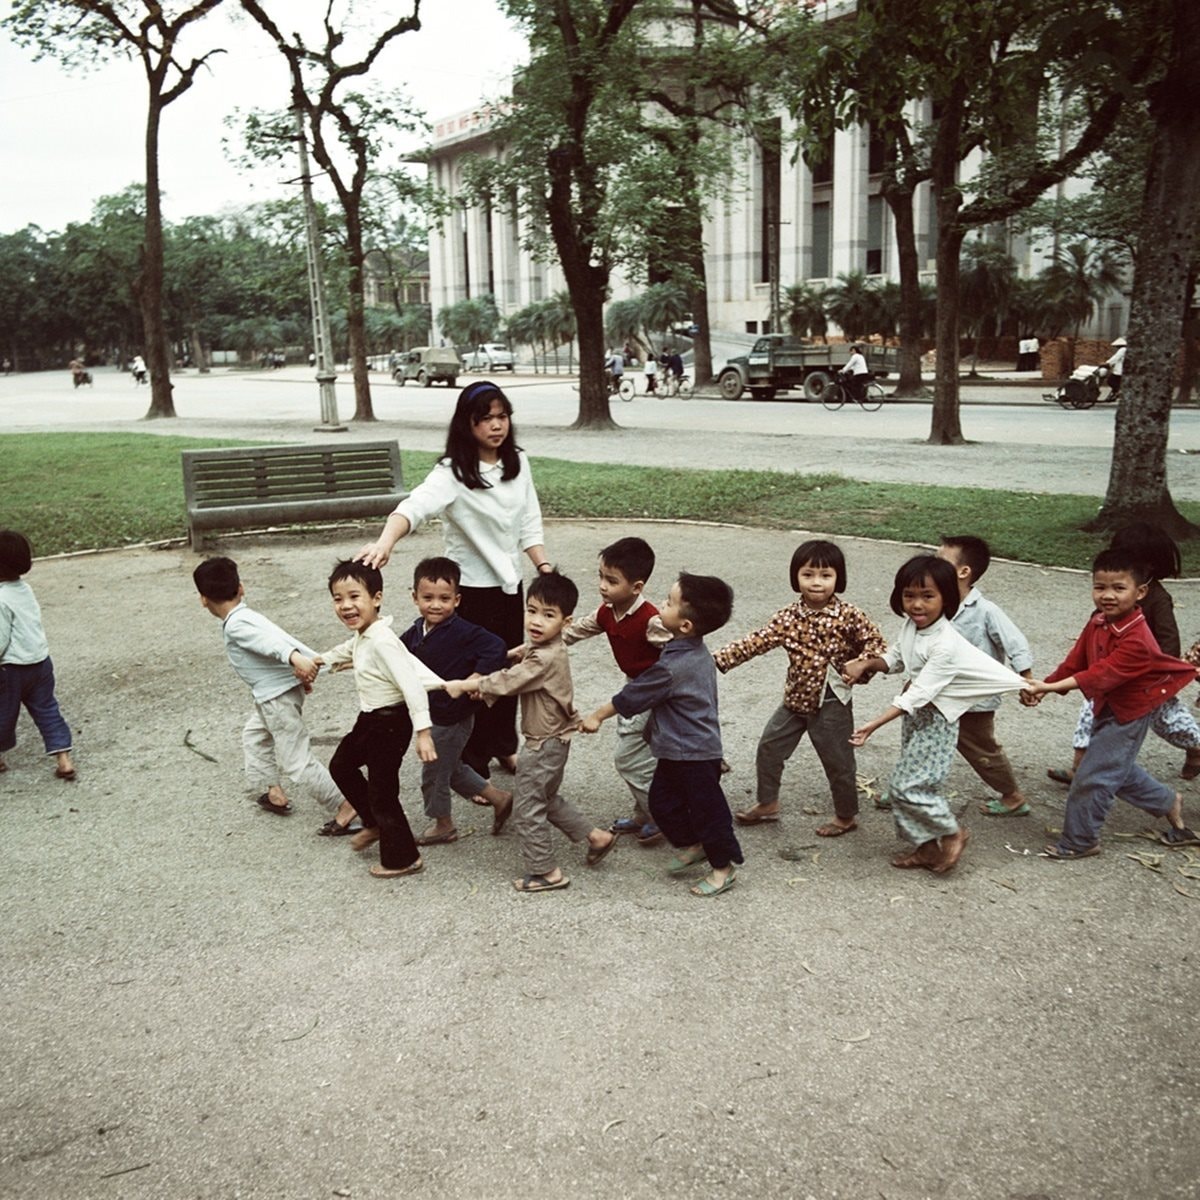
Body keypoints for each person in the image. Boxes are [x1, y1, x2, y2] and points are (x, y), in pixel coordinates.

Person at [356, 381, 553, 781]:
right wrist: (385, 543)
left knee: (507, 668)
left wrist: (544, 568)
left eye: (502, 416)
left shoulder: (517, 461)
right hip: (472, 592)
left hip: (509, 588)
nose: (496, 426)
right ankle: (471, 759)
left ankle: (502, 746)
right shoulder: (451, 473)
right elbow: (413, 507)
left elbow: (529, 521)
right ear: (468, 424)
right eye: (486, 418)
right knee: (472, 677)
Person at [842, 556, 1028, 874]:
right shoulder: (912, 626)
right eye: (909, 595)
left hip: (937, 721)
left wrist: (872, 725)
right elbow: (897, 658)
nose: (917, 605)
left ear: (946, 598)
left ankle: (952, 832)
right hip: (916, 719)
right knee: (909, 786)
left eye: (928, 596)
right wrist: (867, 663)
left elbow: (918, 694)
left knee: (905, 787)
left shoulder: (946, 643)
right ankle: (926, 848)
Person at [443, 570, 617, 893]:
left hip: (543, 745)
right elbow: (529, 658)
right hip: (555, 741)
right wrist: (517, 652)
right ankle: (597, 836)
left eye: (548, 615)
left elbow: (511, 680)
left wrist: (468, 684)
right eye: (532, 611)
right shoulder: (546, 647)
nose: (536, 621)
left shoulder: (544, 659)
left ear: (566, 623)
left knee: (527, 807)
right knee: (545, 797)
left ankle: (546, 871)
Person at [1025, 548, 1199, 859]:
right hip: (1106, 706)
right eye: (1100, 587)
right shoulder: (1098, 621)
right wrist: (1045, 685)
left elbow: (1099, 675)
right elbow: (1077, 660)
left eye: (1119, 588)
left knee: (1093, 776)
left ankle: (1080, 841)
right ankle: (1167, 801)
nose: (1108, 595)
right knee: (1111, 767)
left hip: (1129, 714)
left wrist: (1049, 687)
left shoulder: (1137, 640)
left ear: (1140, 591)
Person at [581, 573, 742, 898]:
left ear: (685, 626)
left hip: (696, 754)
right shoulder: (684, 649)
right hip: (673, 750)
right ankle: (693, 845)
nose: (659, 608)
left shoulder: (675, 666)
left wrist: (598, 715)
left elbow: (635, 694)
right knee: (662, 803)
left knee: (708, 813)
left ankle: (723, 868)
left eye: (668, 604)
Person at [713, 539, 887, 838]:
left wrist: (863, 663)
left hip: (832, 701)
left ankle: (846, 816)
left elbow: (876, 643)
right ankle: (768, 803)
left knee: (838, 761)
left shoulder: (849, 615)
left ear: (838, 579)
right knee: (769, 747)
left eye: (825, 575)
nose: (816, 582)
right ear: (796, 577)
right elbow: (757, 641)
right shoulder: (787, 617)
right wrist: (715, 660)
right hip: (794, 700)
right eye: (808, 574)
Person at [193, 555, 353, 830]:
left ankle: (346, 804)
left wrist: (295, 659)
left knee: (296, 762)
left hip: (276, 700)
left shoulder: (237, 624)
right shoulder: (245, 615)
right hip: (276, 693)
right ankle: (272, 792)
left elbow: (271, 644)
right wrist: (297, 672)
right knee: (254, 736)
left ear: (203, 599)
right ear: (241, 588)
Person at [1046, 523, 1200, 785]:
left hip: (1147, 681)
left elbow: (1168, 641)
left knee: (1171, 724)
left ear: (1149, 565)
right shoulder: (1113, 592)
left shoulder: (1157, 598)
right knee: (1090, 712)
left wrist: (1161, 674)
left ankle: (1196, 747)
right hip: (1110, 675)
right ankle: (1080, 766)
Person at [316, 560, 441, 879]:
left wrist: (423, 732)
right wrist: (316, 662)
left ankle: (403, 858)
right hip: (369, 720)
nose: (345, 605)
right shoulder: (364, 635)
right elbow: (345, 651)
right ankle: (372, 822)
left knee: (383, 792)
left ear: (376, 598)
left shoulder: (383, 640)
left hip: (390, 722)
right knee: (341, 765)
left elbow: (411, 685)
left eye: (354, 596)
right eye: (337, 598)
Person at [560, 536, 670, 845]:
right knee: (642, 751)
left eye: (612, 580)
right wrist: (531, 647)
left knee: (629, 757)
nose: (603, 586)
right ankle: (644, 814)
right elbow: (573, 631)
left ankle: (663, 816)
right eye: (601, 577)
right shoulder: (607, 611)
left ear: (636, 587)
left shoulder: (651, 620)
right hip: (633, 686)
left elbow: (679, 654)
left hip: (652, 691)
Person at [399, 556, 515, 845]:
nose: (436, 605)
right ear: (415, 597)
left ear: (458, 600)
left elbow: (497, 647)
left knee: (434, 773)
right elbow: (395, 654)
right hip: (435, 712)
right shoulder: (416, 632)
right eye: (428, 598)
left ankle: (444, 825)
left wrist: (475, 678)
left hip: (452, 716)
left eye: (444, 598)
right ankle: (499, 798)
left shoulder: (464, 631)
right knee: (450, 769)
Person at [936, 535, 1036, 817]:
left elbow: (1015, 643)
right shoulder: (935, 604)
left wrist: (1026, 680)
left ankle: (1012, 796)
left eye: (939, 561)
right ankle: (908, 788)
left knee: (981, 749)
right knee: (920, 738)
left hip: (974, 699)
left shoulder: (986, 611)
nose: (931, 565)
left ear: (963, 572)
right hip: (936, 691)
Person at [0, 530, 76, 782]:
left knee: (3, 713)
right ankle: (64, 759)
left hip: (10, 669)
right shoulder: (24, 589)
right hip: (40, 663)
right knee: (47, 710)